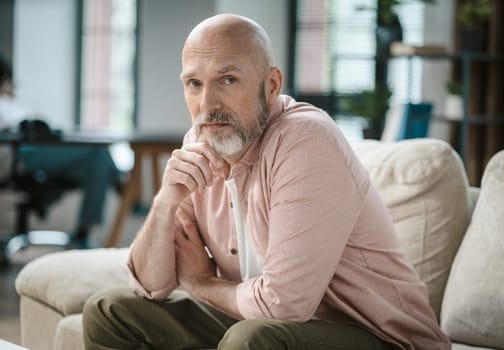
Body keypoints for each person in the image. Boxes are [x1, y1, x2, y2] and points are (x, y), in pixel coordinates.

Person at [82, 14, 451, 349]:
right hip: (265, 323)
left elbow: (283, 305)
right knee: (110, 310)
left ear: (272, 85)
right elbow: (151, 286)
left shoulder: (306, 140)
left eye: (228, 80)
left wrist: (201, 283)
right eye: (194, 83)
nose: (207, 103)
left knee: (252, 339)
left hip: (378, 336)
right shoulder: (200, 142)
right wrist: (165, 202)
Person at [0, 52, 121, 247]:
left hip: (36, 148)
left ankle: (83, 233)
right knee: (97, 148)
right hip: (21, 156)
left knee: (96, 165)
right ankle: (122, 184)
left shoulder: (8, 103)